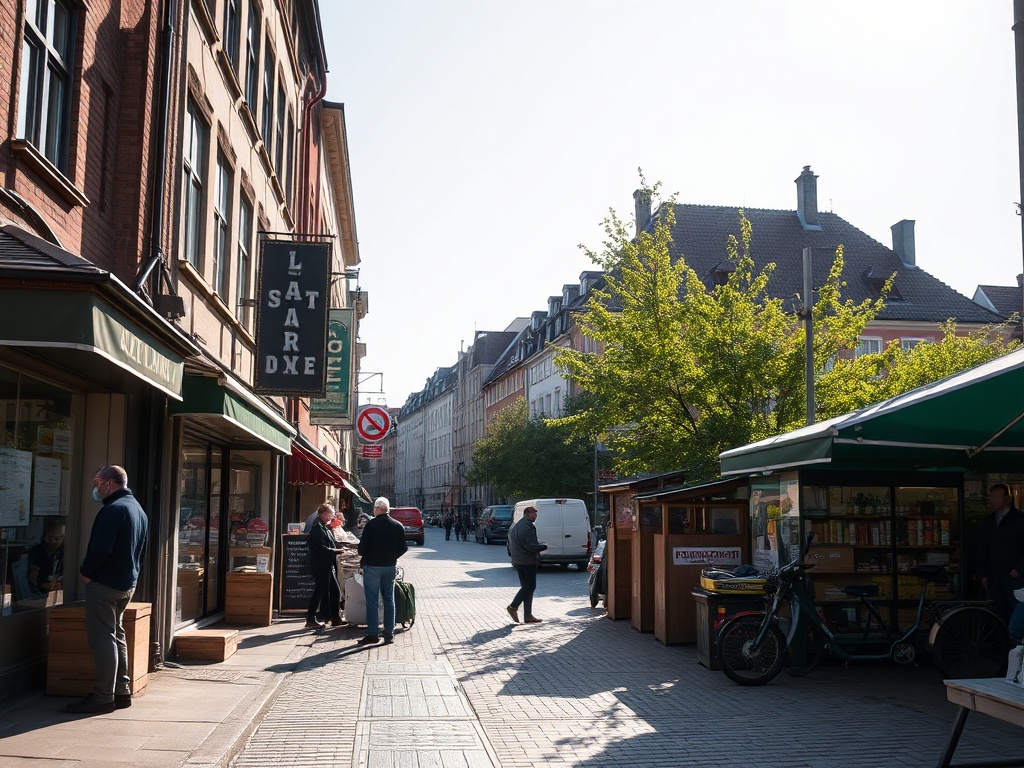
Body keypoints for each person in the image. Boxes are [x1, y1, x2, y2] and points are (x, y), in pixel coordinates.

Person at [66, 465, 148, 715]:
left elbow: (100, 550)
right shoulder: (137, 509)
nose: (95, 488)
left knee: (103, 639)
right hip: (126, 584)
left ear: (110, 484)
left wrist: (85, 572)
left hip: (105, 584)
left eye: (97, 483)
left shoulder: (113, 510)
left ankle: (103, 696)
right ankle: (121, 691)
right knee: (117, 635)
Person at [356, 496, 408, 645]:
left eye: (374, 507)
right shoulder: (397, 525)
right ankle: (388, 633)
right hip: (390, 567)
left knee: (372, 601)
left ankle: (373, 634)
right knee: (389, 600)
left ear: (379, 508)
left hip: (372, 567)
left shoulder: (371, 525)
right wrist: (392, 557)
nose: (373, 510)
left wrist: (368, 555)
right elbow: (403, 547)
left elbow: (362, 549)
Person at [978, 483, 1024, 626]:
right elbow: (983, 549)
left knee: (1016, 612)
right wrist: (983, 574)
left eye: (997, 497)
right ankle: (1002, 644)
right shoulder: (989, 522)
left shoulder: (1020, 520)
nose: (993, 500)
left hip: (1013, 576)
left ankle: (1015, 644)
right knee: (997, 613)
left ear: (1007, 499)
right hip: (993, 576)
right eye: (991, 497)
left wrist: (1018, 569)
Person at [306, 503, 345, 630]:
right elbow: (321, 548)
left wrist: (340, 547)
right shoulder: (317, 528)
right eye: (330, 513)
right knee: (319, 591)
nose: (332, 516)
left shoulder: (325, 527)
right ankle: (310, 619)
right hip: (320, 565)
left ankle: (334, 617)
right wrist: (336, 551)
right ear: (323, 514)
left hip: (327, 564)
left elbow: (331, 543)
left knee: (334, 590)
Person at [506, 505, 547, 625]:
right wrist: (544, 546)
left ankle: (528, 615)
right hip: (527, 560)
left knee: (526, 587)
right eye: (533, 514)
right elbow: (530, 546)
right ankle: (513, 607)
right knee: (529, 586)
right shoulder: (528, 527)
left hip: (518, 560)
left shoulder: (518, 525)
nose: (535, 516)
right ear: (527, 514)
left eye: (536, 514)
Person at [27, 521, 65, 594]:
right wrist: (47, 586)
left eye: (62, 538)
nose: (59, 542)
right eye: (56, 538)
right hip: (39, 593)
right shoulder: (37, 552)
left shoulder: (62, 552)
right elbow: (33, 580)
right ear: (47, 537)